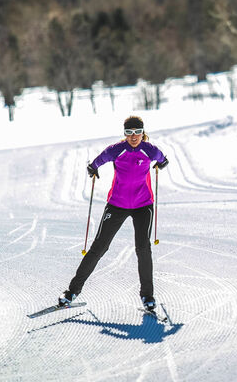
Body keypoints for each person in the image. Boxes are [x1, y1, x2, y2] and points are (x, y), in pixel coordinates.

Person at [59, 116, 169, 311]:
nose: (133, 136)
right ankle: (72, 291)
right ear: (124, 134)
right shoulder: (116, 150)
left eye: (137, 132)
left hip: (143, 205)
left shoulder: (149, 150)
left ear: (143, 132)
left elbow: (163, 159)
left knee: (143, 248)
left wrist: (161, 164)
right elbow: (96, 162)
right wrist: (92, 169)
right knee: (99, 247)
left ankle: (147, 296)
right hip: (117, 204)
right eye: (129, 132)